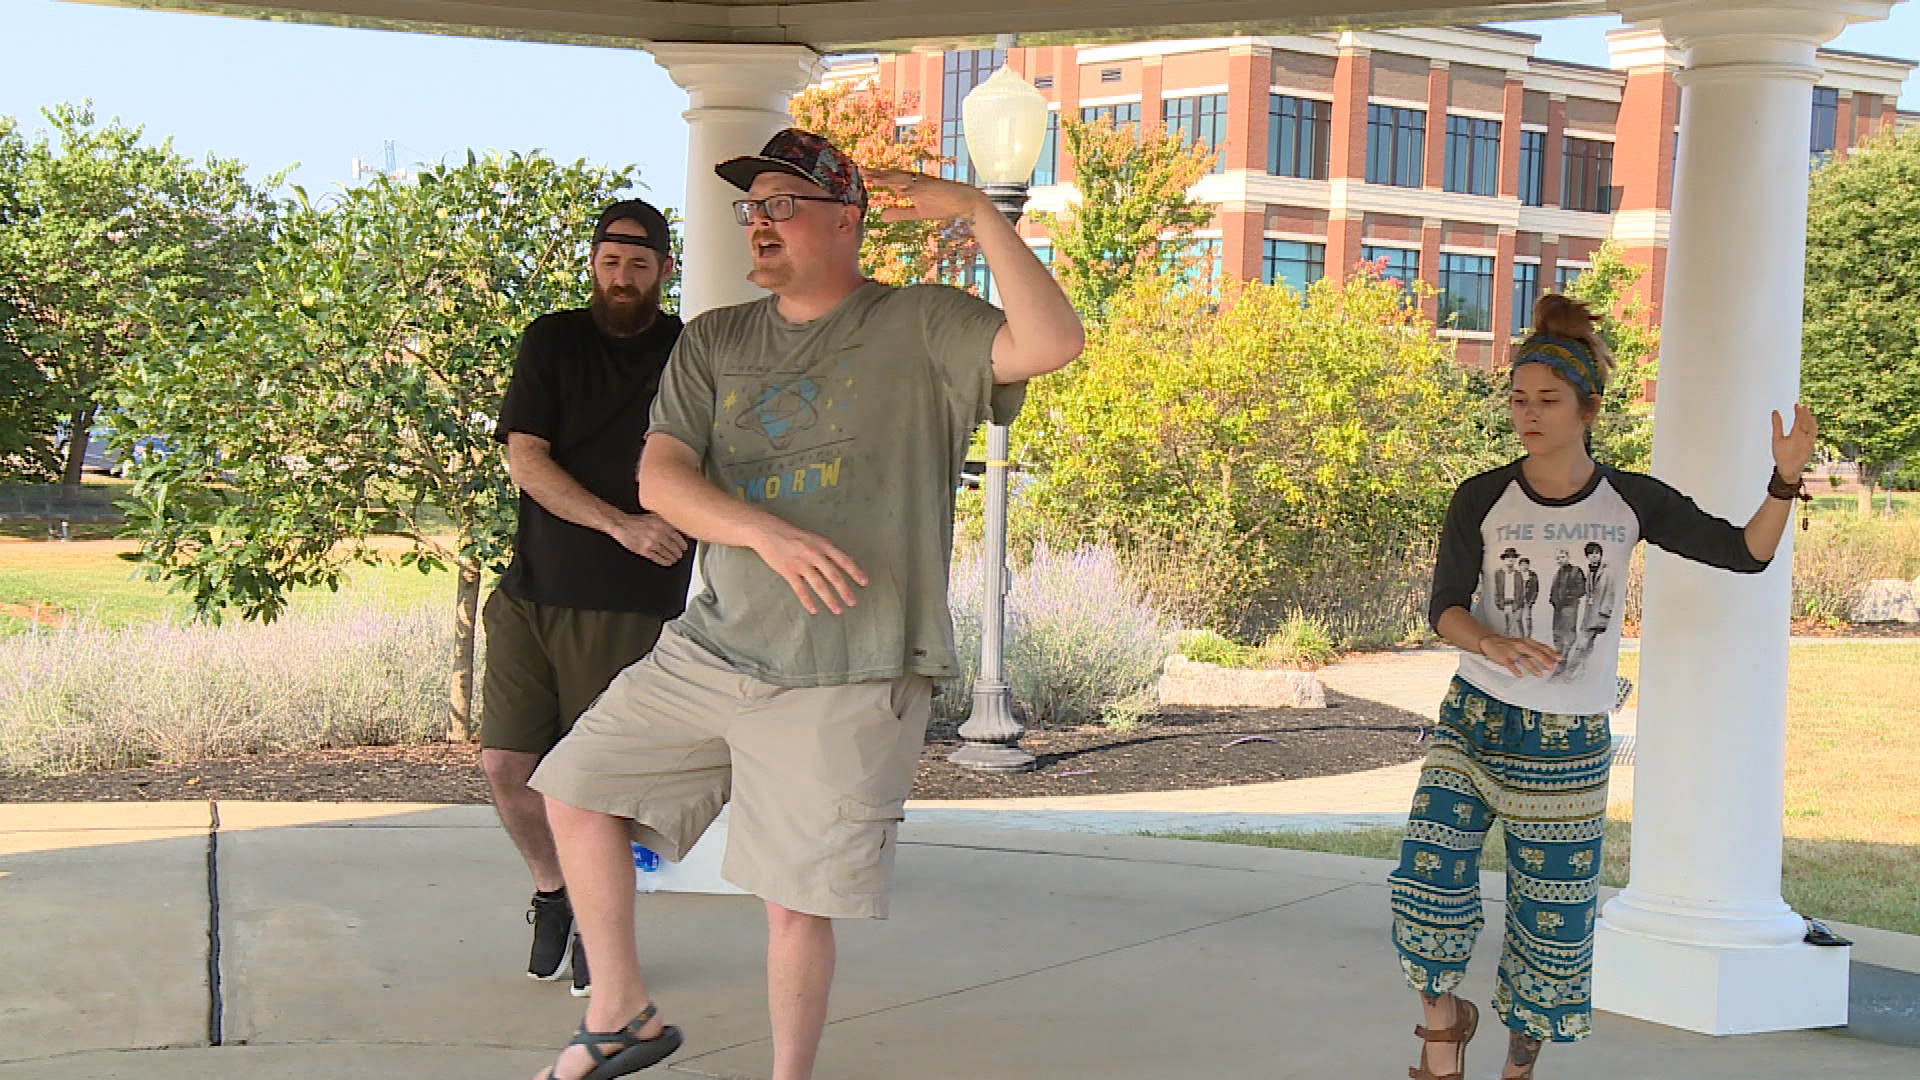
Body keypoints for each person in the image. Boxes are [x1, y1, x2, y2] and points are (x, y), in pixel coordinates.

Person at [523, 128, 1084, 1080]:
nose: (760, 223)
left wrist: (976, 212)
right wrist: (765, 534)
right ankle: (619, 1016)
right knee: (574, 790)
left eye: (783, 204)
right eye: (752, 207)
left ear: (847, 218)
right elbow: (662, 479)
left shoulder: (924, 323)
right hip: (716, 647)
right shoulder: (717, 338)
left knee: (792, 902)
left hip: (853, 665)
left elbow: (1053, 342)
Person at [1388, 294, 1817, 1080]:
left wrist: (1783, 481)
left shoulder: (1631, 500)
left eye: (1548, 400)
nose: (1528, 414)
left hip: (1568, 741)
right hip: (1474, 718)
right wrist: (1488, 640)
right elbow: (1443, 605)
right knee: (1425, 880)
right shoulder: (1481, 495)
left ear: (1588, 409)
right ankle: (1441, 1033)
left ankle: (1519, 1066)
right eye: (1519, 398)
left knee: (1551, 928)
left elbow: (1745, 553)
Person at [480, 199, 694, 998]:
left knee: (597, 784)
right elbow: (526, 457)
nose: (622, 277)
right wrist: (618, 523)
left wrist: (663, 529)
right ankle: (555, 892)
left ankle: (602, 942)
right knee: (507, 763)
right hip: (533, 588)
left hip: (631, 602)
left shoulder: (686, 352)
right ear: (594, 265)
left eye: (638, 264)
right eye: (610, 262)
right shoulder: (554, 339)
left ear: (664, 270)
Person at [1492, 548, 1523, 635]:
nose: (1510, 559)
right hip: (1502, 605)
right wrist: (1498, 603)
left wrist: (1517, 604)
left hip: (1514, 605)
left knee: (1512, 631)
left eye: (1513, 557)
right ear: (1504, 559)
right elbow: (1496, 589)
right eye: (1508, 557)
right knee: (1502, 630)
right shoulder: (1498, 573)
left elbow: (1520, 591)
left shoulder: (1518, 574)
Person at [1516, 557, 1539, 639]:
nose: (1524, 566)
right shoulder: (1516, 575)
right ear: (1519, 566)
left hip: (1527, 599)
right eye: (1522, 565)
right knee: (1518, 618)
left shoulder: (1533, 575)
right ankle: (1521, 635)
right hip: (1518, 600)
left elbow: (1535, 589)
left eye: (1525, 564)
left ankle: (1528, 636)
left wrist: (1532, 600)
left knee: (1527, 618)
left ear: (1528, 565)